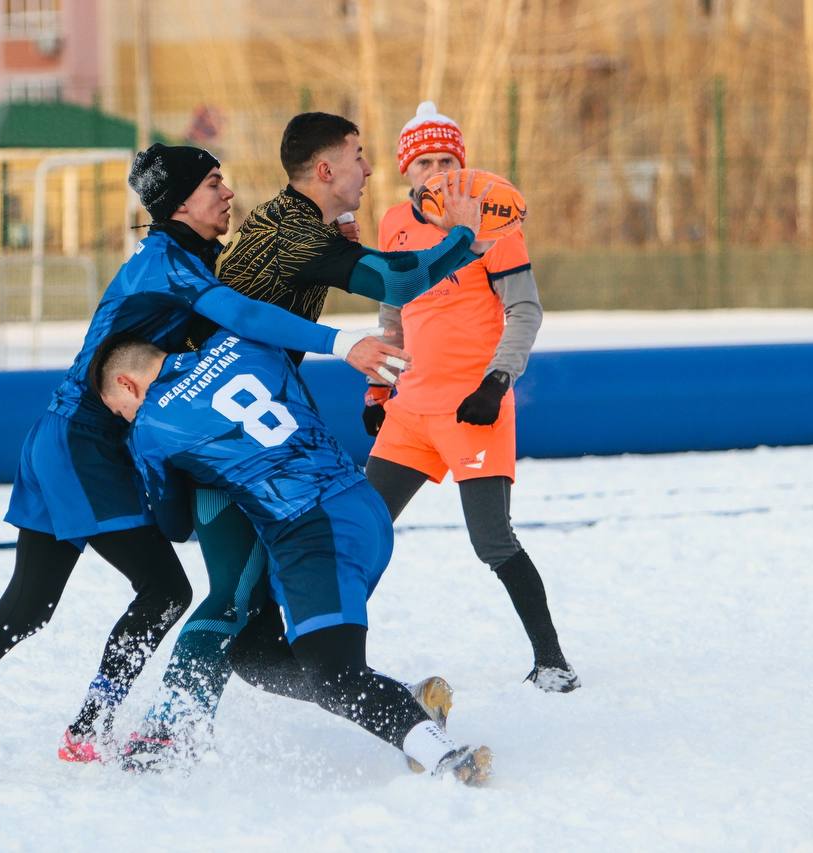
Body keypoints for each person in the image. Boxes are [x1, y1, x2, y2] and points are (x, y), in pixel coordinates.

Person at [0, 144, 411, 775]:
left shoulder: (189, 255)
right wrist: (341, 342)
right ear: (181, 201)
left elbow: (253, 297)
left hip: (61, 440)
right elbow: (240, 313)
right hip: (87, 443)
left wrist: (333, 239)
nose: (227, 193)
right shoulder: (167, 261)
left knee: (29, 606)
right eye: (215, 183)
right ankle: (89, 729)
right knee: (161, 591)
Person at [128, 112, 494, 759]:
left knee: (258, 637)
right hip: (215, 440)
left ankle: (389, 698)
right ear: (325, 170)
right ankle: (167, 730)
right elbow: (397, 281)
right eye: (358, 155)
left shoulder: (289, 222)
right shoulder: (297, 234)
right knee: (234, 594)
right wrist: (463, 234)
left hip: (237, 431)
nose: (370, 169)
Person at [92, 332, 493, 787]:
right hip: (360, 503)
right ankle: (409, 701)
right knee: (254, 655)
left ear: (128, 384)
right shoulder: (247, 345)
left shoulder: (149, 428)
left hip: (312, 528)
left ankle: (445, 757)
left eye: (119, 409)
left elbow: (173, 525)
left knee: (335, 673)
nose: (126, 418)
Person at [364, 101, 578, 692]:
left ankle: (552, 660)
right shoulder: (393, 224)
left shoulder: (494, 223)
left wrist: (495, 382)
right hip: (410, 412)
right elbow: (392, 309)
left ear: (463, 164)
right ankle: (334, 659)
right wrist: (379, 384)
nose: (436, 171)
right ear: (407, 170)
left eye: (447, 160)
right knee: (358, 530)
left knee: (492, 542)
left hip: (473, 408)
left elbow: (525, 310)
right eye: (424, 161)